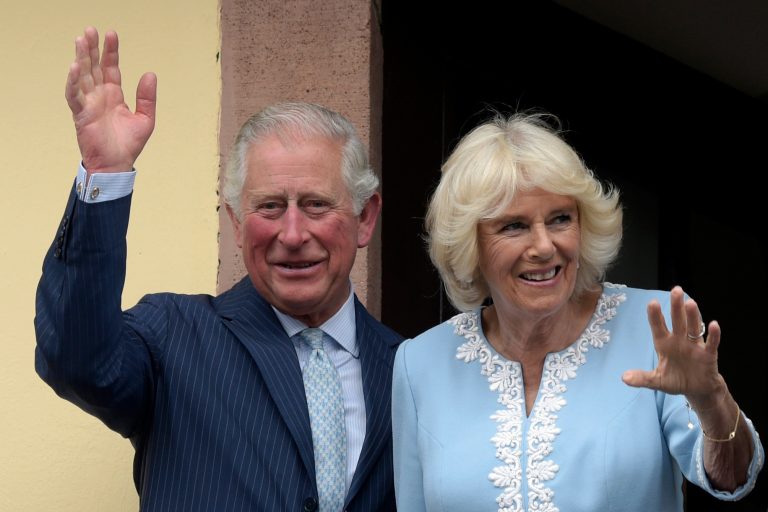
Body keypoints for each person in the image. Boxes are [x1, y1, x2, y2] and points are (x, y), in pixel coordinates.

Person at [35, 27, 402, 511]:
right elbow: (77, 361)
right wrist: (105, 175)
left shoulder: (409, 368)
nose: (293, 234)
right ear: (236, 223)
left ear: (365, 217)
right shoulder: (173, 337)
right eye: (269, 206)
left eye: (316, 204)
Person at [392, 112, 764, 511]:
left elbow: (732, 479)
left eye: (560, 219)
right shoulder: (419, 364)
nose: (544, 246)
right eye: (514, 226)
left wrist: (712, 401)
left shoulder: (654, 327)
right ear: (471, 243)